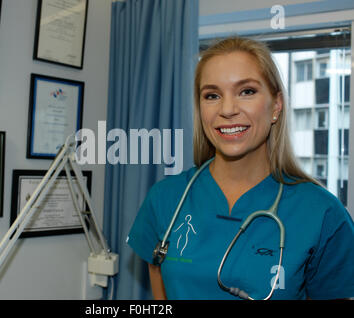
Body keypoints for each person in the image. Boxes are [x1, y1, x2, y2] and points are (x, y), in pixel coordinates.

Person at [127, 37, 354, 300]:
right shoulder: (164, 199)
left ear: (276, 106)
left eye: (246, 91)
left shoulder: (322, 214)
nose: (227, 110)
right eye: (212, 95)